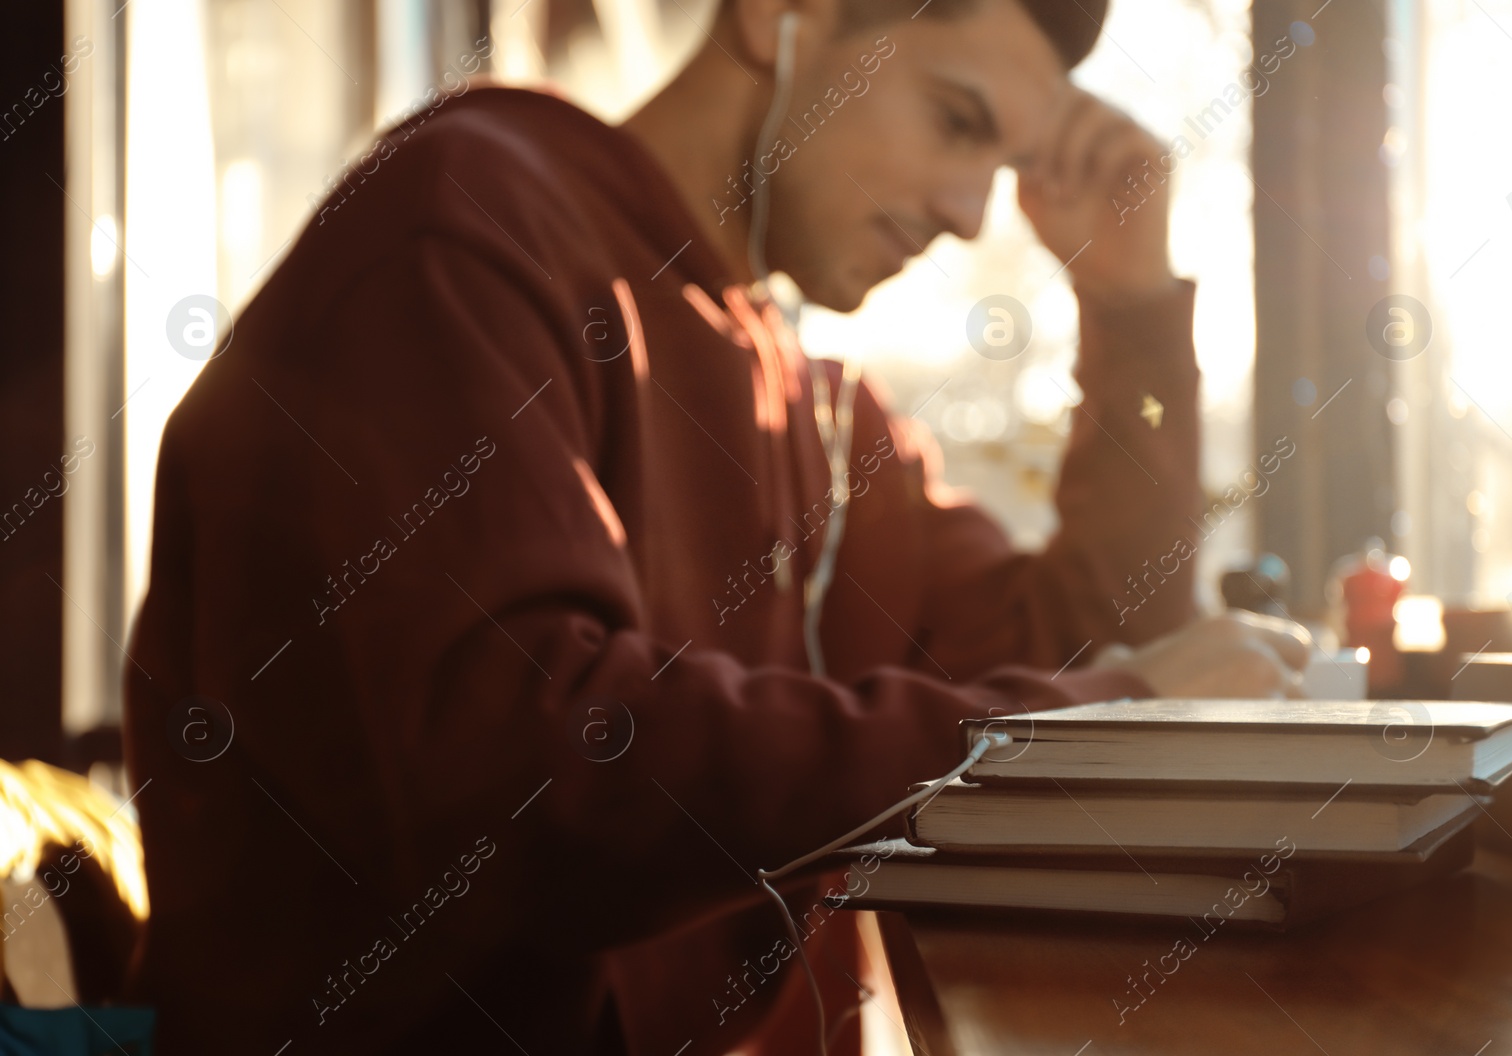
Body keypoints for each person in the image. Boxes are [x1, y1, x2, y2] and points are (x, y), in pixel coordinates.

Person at [122, 0, 1311, 1053]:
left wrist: (1134, 312)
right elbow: (539, 783)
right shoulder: (462, 230)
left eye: (997, 167)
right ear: (780, 15)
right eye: (955, 123)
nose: (966, 211)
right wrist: (1101, 713)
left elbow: (1086, 646)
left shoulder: (812, 400)